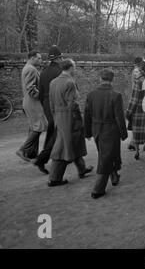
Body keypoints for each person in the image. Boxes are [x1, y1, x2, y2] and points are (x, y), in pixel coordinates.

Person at [48, 59, 93, 187]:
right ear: (70, 68)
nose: (76, 69)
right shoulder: (70, 82)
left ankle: (82, 169)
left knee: (74, 143)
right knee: (65, 146)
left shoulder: (53, 82)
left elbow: (51, 104)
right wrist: (79, 120)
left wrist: (56, 117)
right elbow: (72, 104)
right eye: (74, 67)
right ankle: (54, 178)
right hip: (69, 117)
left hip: (59, 116)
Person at [84, 69, 128, 199]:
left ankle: (114, 177)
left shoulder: (91, 95)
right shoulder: (115, 95)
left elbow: (87, 114)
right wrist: (123, 133)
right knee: (106, 158)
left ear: (100, 79)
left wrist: (87, 132)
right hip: (110, 130)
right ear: (112, 80)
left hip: (97, 130)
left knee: (107, 155)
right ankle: (98, 189)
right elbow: (119, 117)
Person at [30, 46, 63, 174]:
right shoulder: (60, 71)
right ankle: (42, 159)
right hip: (57, 104)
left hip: (46, 104)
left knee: (53, 131)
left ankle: (49, 159)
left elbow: (40, 92)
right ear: (59, 58)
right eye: (61, 57)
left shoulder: (43, 72)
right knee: (57, 133)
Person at [16, 51, 48, 164]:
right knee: (40, 126)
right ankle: (22, 149)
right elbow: (31, 88)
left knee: (34, 126)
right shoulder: (31, 69)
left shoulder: (27, 68)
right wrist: (42, 94)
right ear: (32, 58)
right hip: (33, 102)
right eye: (39, 58)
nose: (41, 60)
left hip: (28, 101)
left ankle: (31, 152)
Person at [127, 57, 143, 151]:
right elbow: (138, 82)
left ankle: (133, 142)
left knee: (136, 121)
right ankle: (132, 142)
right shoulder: (137, 71)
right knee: (135, 121)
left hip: (135, 95)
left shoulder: (135, 70)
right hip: (136, 96)